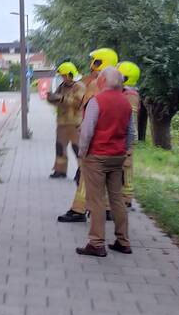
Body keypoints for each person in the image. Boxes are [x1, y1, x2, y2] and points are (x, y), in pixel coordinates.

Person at [75, 67, 136, 257]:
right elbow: (131, 133)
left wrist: (82, 153)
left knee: (97, 200)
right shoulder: (126, 103)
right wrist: (123, 151)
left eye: (99, 79)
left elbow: (87, 131)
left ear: (102, 81)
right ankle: (123, 241)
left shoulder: (97, 101)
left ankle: (96, 243)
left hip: (97, 157)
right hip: (117, 157)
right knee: (116, 199)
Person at [58, 47, 119, 223]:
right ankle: (107, 209)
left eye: (96, 62)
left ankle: (78, 210)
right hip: (114, 143)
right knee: (108, 178)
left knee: (85, 174)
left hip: (95, 141)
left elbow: (89, 116)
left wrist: (83, 144)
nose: (92, 66)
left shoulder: (95, 85)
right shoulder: (118, 86)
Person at [46, 62, 85, 178]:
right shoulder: (62, 86)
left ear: (70, 74)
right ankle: (60, 170)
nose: (62, 78)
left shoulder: (79, 86)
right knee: (60, 147)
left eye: (64, 75)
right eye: (61, 76)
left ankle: (82, 171)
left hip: (75, 123)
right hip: (62, 123)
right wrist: (51, 98)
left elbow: (78, 103)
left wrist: (61, 98)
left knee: (77, 148)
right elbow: (57, 100)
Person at [118, 60, 141, 209]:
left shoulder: (130, 95)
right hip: (125, 137)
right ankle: (125, 197)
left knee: (126, 167)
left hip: (127, 138)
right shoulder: (126, 93)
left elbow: (130, 121)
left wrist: (128, 142)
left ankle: (127, 199)